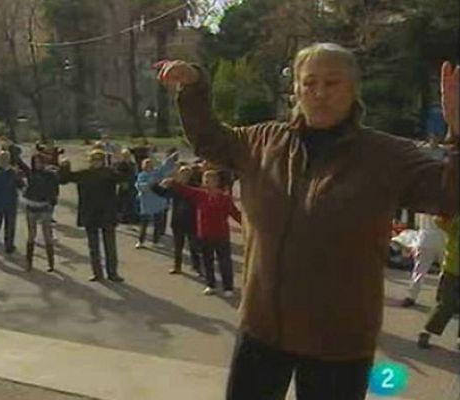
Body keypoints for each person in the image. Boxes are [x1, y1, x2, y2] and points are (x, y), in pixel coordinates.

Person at [157, 44, 458, 399]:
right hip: (262, 329)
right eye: (309, 82)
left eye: (332, 83)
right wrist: (194, 85)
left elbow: (447, 194)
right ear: (295, 90)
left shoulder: (386, 155)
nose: (319, 93)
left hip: (339, 341)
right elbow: (210, 139)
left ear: (352, 89)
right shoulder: (263, 142)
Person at [161, 170, 241, 295]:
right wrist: (171, 182)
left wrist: (248, 225)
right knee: (207, 261)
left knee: (224, 262)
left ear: (216, 182)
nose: (206, 183)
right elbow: (185, 189)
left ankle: (228, 287)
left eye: (209, 180)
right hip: (204, 235)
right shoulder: (200, 195)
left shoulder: (225, 198)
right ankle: (211, 284)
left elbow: (235, 214)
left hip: (221, 235)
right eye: (205, 180)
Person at [59, 150, 126, 282]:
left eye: (99, 160)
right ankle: (97, 273)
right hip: (90, 213)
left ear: (103, 161)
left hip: (107, 212)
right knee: (93, 247)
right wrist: (65, 166)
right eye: (94, 160)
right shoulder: (84, 174)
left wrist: (121, 163)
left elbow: (124, 179)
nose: (96, 162)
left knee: (110, 246)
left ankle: (112, 273)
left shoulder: (109, 173)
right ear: (90, 161)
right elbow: (64, 179)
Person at [417, 215, 459, 350]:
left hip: (452, 267)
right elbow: (439, 220)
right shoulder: (456, 218)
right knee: (446, 304)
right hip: (452, 269)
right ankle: (427, 331)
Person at [151, 165, 202, 275]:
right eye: (182, 173)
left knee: (194, 246)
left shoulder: (195, 187)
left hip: (192, 220)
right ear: (179, 175)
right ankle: (177, 266)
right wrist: (155, 184)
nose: (184, 176)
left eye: (187, 174)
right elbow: (162, 193)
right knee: (178, 246)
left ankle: (197, 267)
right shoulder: (175, 187)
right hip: (178, 220)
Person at [16, 153, 63, 272]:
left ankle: (51, 264)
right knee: (31, 235)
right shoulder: (30, 174)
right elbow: (20, 164)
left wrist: (52, 202)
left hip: (45, 208)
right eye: (35, 162)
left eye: (40, 162)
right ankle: (29, 263)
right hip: (31, 207)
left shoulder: (50, 175)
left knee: (47, 235)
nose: (37, 165)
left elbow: (55, 190)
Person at [134, 152, 178, 249]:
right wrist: (151, 183)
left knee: (158, 223)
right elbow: (139, 186)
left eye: (150, 164)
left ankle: (156, 241)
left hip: (158, 201)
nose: (149, 166)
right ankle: (141, 241)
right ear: (143, 166)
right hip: (146, 201)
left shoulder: (158, 172)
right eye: (146, 165)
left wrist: (171, 158)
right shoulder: (142, 175)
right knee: (144, 223)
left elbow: (165, 167)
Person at [401, 212, 445, 307]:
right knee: (446, 270)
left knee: (419, 270)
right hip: (444, 238)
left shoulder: (424, 200)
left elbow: (416, 221)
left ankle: (411, 297)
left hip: (425, 237)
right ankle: (442, 294)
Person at [114, 148, 139, 225]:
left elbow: (136, 174)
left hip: (132, 184)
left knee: (132, 202)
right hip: (124, 185)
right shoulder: (119, 164)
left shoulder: (133, 164)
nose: (126, 157)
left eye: (127, 155)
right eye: (125, 155)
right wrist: (122, 182)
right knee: (123, 202)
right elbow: (117, 175)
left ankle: (131, 217)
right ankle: (122, 217)